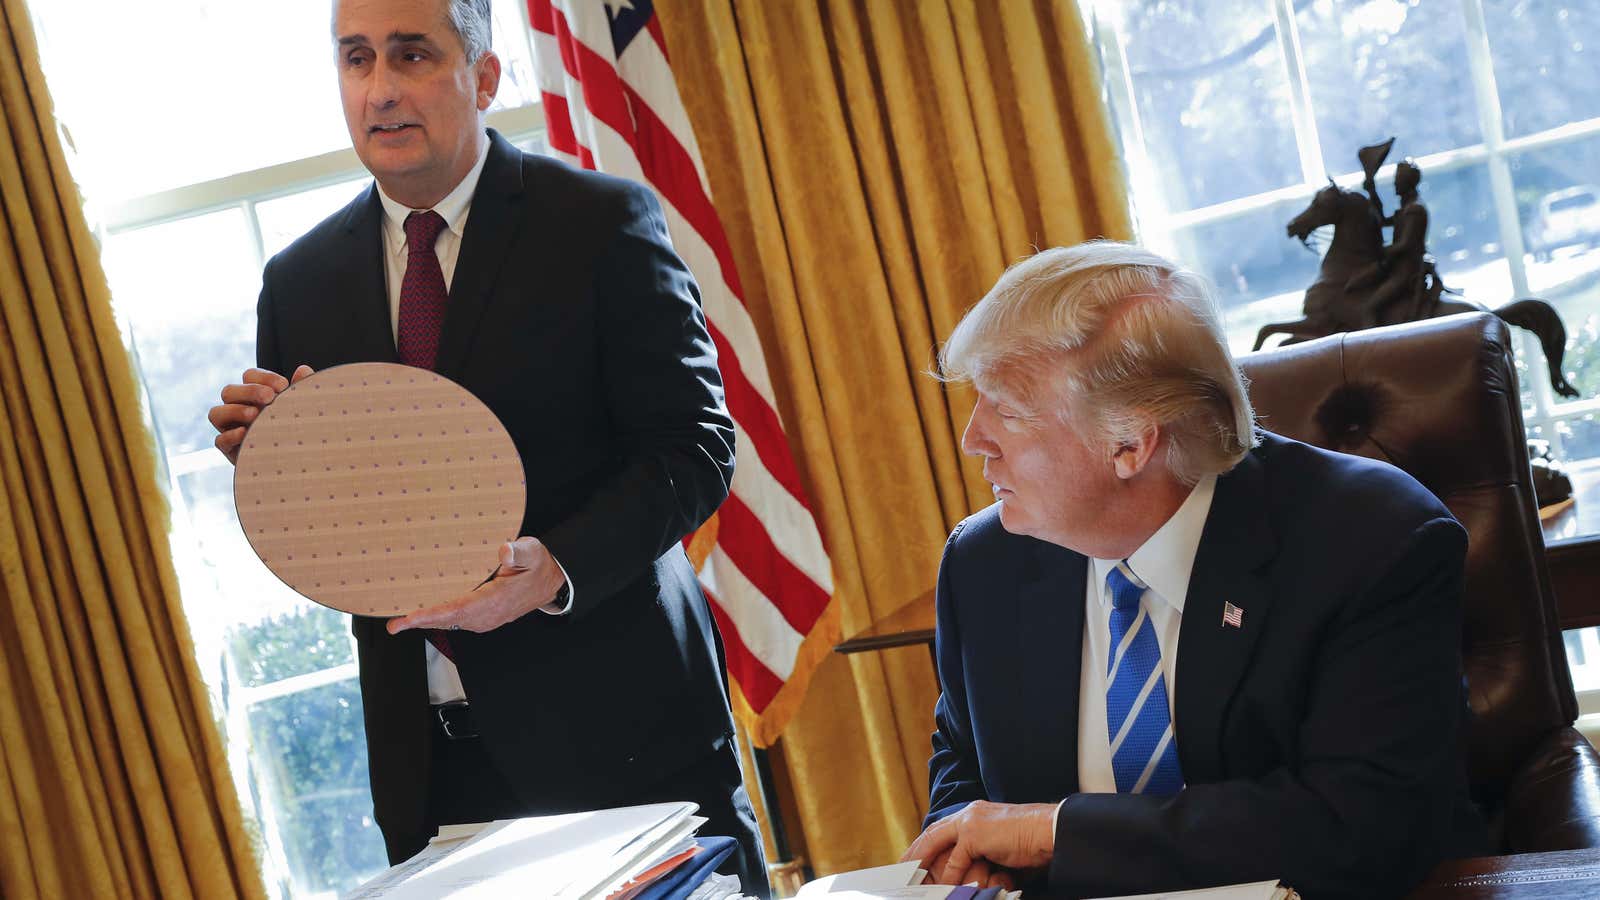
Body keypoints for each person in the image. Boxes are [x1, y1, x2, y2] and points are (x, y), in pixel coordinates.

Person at [205, 0, 767, 893]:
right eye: (356, 60)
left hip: (625, 745)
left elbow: (694, 448)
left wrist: (555, 569)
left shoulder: (598, 222)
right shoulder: (299, 282)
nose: (380, 90)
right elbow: (342, 528)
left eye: (412, 56)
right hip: (431, 770)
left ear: (484, 76)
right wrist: (275, 468)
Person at [900, 242, 1484, 898]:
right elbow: (964, 767)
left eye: (1006, 409)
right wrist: (968, 853)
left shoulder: (1374, 541)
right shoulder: (985, 566)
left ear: (1130, 442)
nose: (973, 438)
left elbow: (1359, 826)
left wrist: (1055, 832)